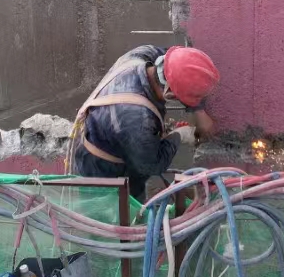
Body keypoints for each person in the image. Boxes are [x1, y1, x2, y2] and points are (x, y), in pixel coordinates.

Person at [69, 45, 219, 189]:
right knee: (121, 213)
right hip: (103, 175)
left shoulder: (144, 54)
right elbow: (151, 166)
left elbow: (182, 64)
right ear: (171, 94)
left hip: (111, 136)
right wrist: (180, 135)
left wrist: (199, 110)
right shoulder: (137, 119)